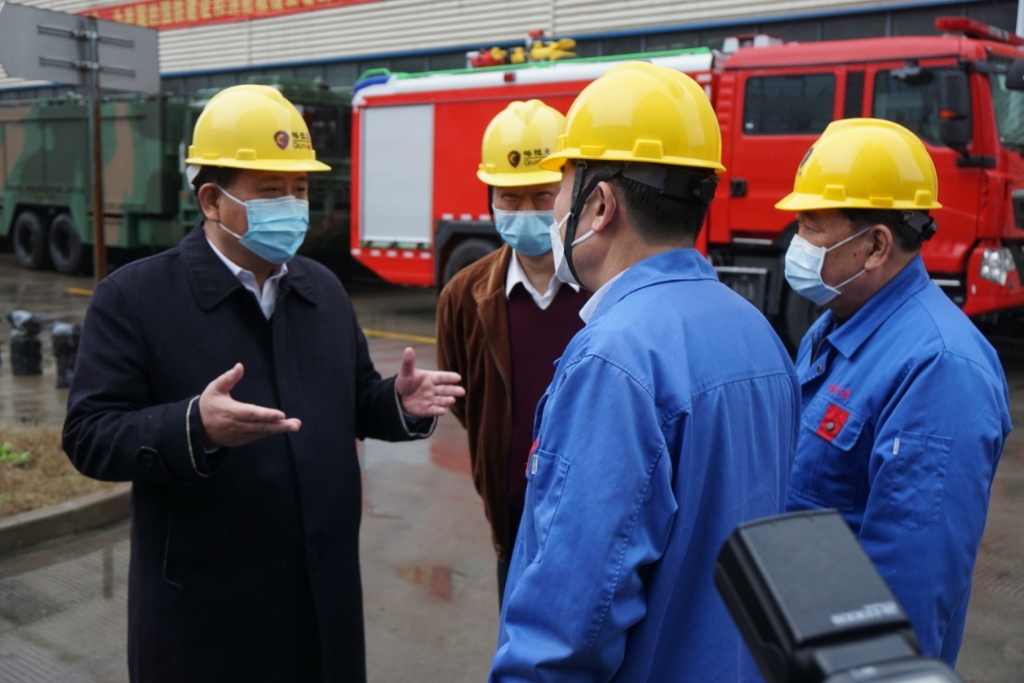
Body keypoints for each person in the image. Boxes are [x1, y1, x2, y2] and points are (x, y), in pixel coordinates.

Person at [61, 84, 464, 683]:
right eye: (271, 190)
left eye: (300, 188)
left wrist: (398, 404)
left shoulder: (322, 290)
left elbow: (354, 401)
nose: (293, 205)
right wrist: (193, 427)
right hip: (208, 616)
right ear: (211, 200)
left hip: (323, 600)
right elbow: (89, 434)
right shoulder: (134, 299)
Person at [489, 62, 800, 682]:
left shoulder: (614, 359)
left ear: (600, 204)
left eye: (560, 188)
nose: (554, 212)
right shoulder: (758, 334)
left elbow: (569, 625)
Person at [777, 118, 1011, 666]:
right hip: (796, 642)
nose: (796, 244)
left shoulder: (940, 370)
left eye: (811, 226)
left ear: (876, 245)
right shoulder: (831, 328)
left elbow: (911, 587)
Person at [436, 100, 589, 604]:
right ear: (491, 200)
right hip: (514, 525)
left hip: (597, 521)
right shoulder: (465, 296)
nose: (526, 212)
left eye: (542, 195)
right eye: (510, 197)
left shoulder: (605, 290)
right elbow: (467, 400)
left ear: (571, 193)